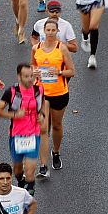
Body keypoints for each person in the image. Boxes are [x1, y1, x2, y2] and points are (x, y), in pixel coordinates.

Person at [32, 19, 75, 173]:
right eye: (47, 30)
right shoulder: (36, 48)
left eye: (53, 30)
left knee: (56, 125)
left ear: (57, 31)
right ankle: (43, 165)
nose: (50, 33)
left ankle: (55, 152)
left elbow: (72, 71)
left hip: (59, 93)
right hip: (42, 93)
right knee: (43, 128)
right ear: (43, 31)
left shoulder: (61, 48)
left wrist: (59, 72)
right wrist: (34, 72)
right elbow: (32, 66)